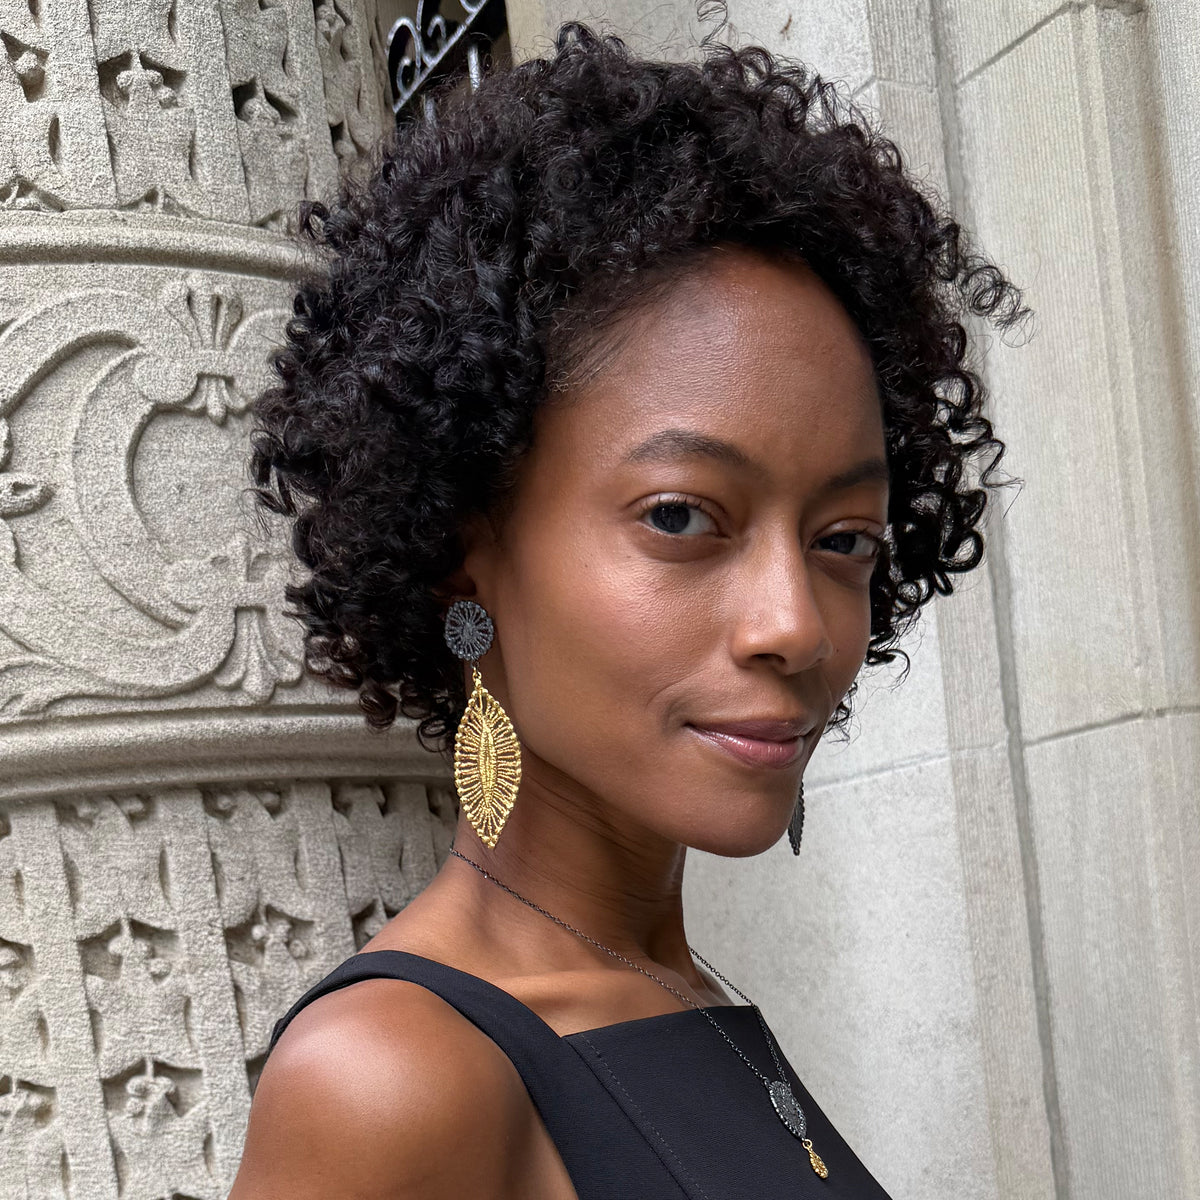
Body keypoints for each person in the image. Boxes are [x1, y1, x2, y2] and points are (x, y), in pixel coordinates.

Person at [230, 20, 1023, 1200]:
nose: (794, 625)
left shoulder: (679, 992)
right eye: (681, 516)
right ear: (464, 546)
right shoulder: (396, 1079)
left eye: (843, 539)